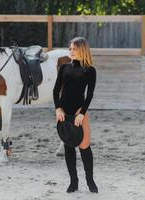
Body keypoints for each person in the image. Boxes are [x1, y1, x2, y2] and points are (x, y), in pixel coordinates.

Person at [53, 37, 98, 193]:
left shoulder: (90, 70)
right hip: (64, 112)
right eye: (70, 48)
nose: (71, 51)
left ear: (82, 50)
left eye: (74, 49)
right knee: (69, 146)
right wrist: (58, 109)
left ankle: (90, 180)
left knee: (84, 146)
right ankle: (74, 182)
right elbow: (55, 91)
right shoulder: (64, 68)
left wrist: (82, 114)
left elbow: (90, 95)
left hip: (79, 111)